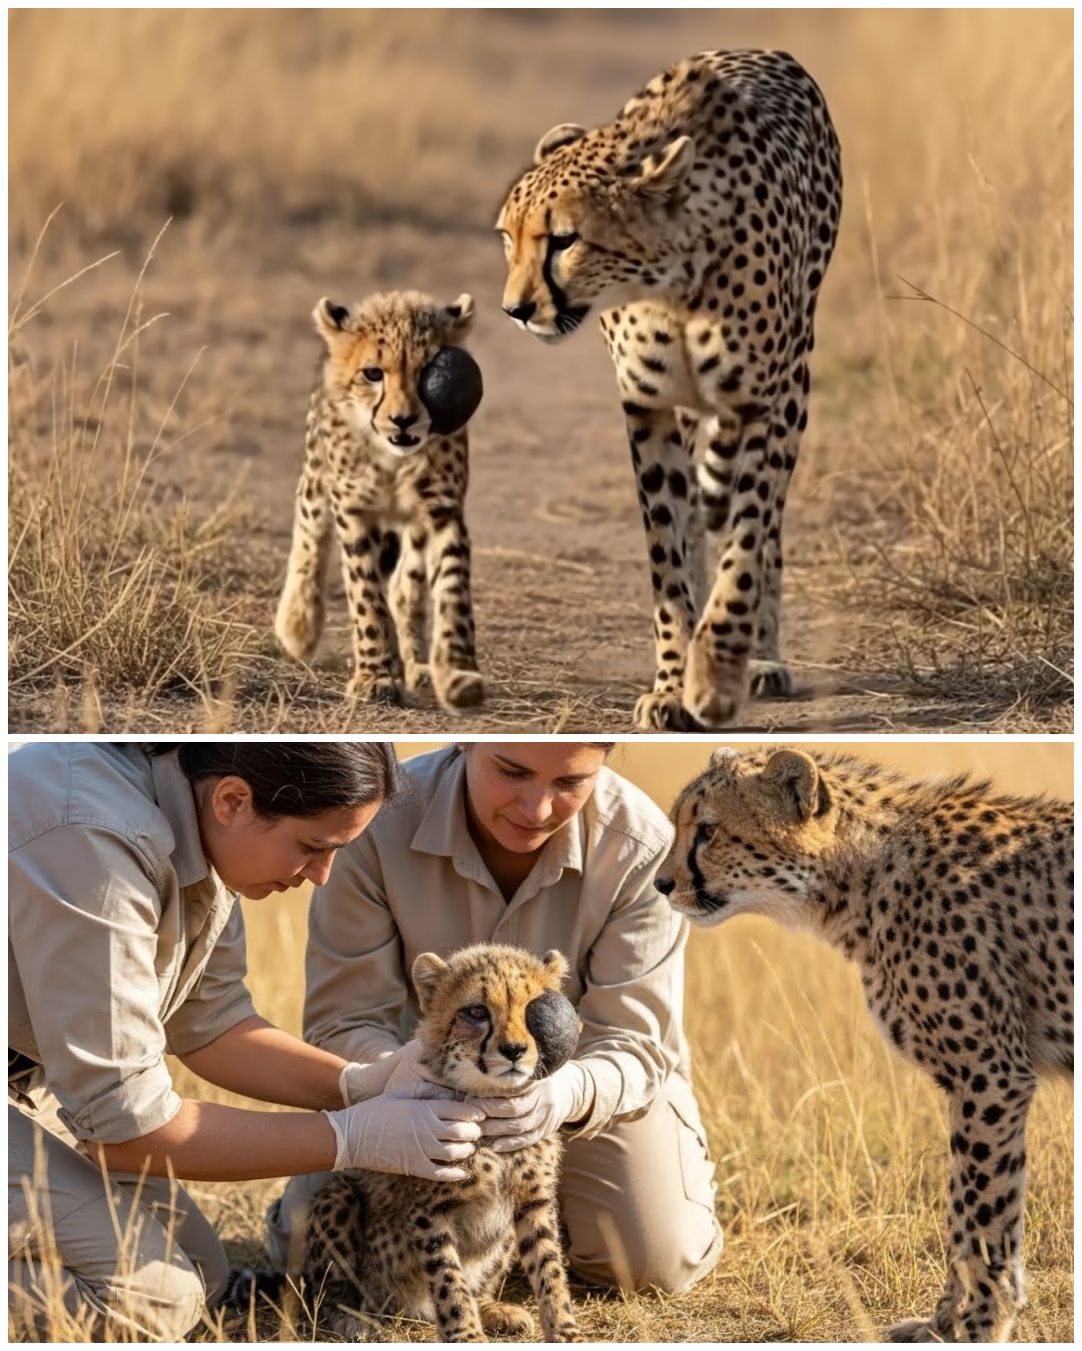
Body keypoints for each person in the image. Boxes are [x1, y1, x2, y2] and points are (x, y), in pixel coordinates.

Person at [8, 741, 487, 1343]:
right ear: (234, 800)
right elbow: (123, 1130)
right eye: (313, 847)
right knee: (150, 1300)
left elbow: (210, 1024)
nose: (320, 877)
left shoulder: (201, 820)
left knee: (202, 1274)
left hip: (26, 1084)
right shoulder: (95, 838)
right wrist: (354, 1139)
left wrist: (361, 1084)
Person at [267, 741, 722, 1296]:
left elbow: (635, 1042)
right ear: (465, 741)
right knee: (306, 1245)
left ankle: (528, 1230)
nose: (536, 809)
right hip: (418, 1086)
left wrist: (565, 1094)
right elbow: (342, 1022)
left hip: (584, 1088)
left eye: (570, 783)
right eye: (511, 771)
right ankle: (481, 1236)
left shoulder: (646, 846)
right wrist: (407, 1078)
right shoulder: (371, 822)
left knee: (652, 1262)